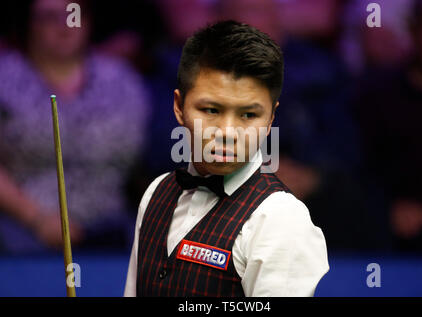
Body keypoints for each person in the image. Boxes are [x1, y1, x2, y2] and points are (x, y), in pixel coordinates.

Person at [124, 21, 329, 297]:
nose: (227, 133)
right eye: (211, 109)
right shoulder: (156, 193)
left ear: (270, 120)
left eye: (248, 115)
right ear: (179, 107)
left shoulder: (280, 220)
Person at [0, 0, 149, 252]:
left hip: (112, 224)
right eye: (50, 17)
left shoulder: (122, 81)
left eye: (73, 15)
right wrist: (36, 218)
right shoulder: (5, 78)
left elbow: (145, 164)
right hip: (20, 228)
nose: (64, 26)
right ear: (29, 25)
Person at [355, 0, 422, 251]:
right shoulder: (376, 95)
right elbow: (357, 168)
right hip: (401, 231)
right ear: (414, 31)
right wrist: (386, 207)